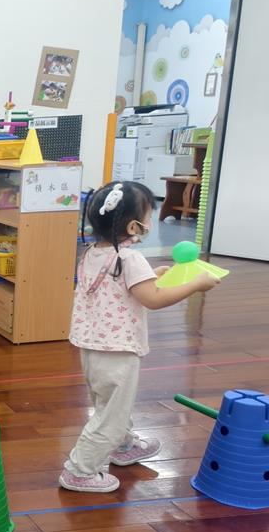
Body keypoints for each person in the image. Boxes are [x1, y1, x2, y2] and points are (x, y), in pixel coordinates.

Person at [61, 182, 220, 492]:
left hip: (92, 348)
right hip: (118, 352)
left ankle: (123, 446)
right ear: (134, 226)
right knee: (111, 415)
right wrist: (196, 284)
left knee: (110, 404)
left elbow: (119, 286)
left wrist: (152, 276)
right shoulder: (129, 259)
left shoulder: (93, 253)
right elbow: (153, 299)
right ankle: (79, 470)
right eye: (148, 216)